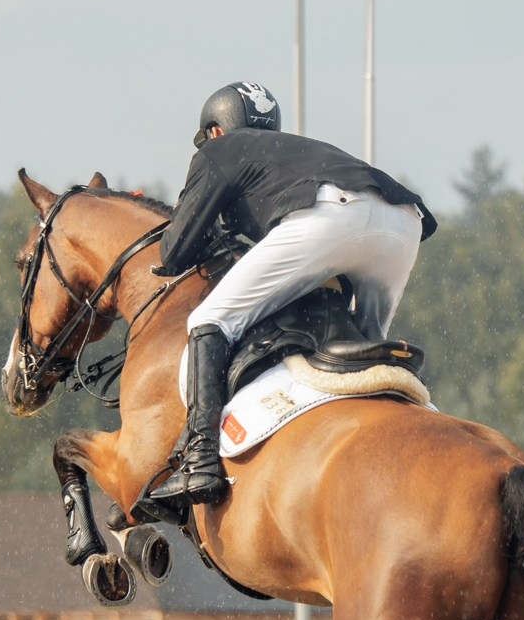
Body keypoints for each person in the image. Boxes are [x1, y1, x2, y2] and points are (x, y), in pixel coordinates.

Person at [147, 81, 436, 509]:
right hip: (403, 222)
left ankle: (201, 459)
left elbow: (174, 252)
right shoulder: (294, 149)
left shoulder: (219, 149)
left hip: (332, 216)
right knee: (364, 352)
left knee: (208, 321)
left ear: (215, 130)